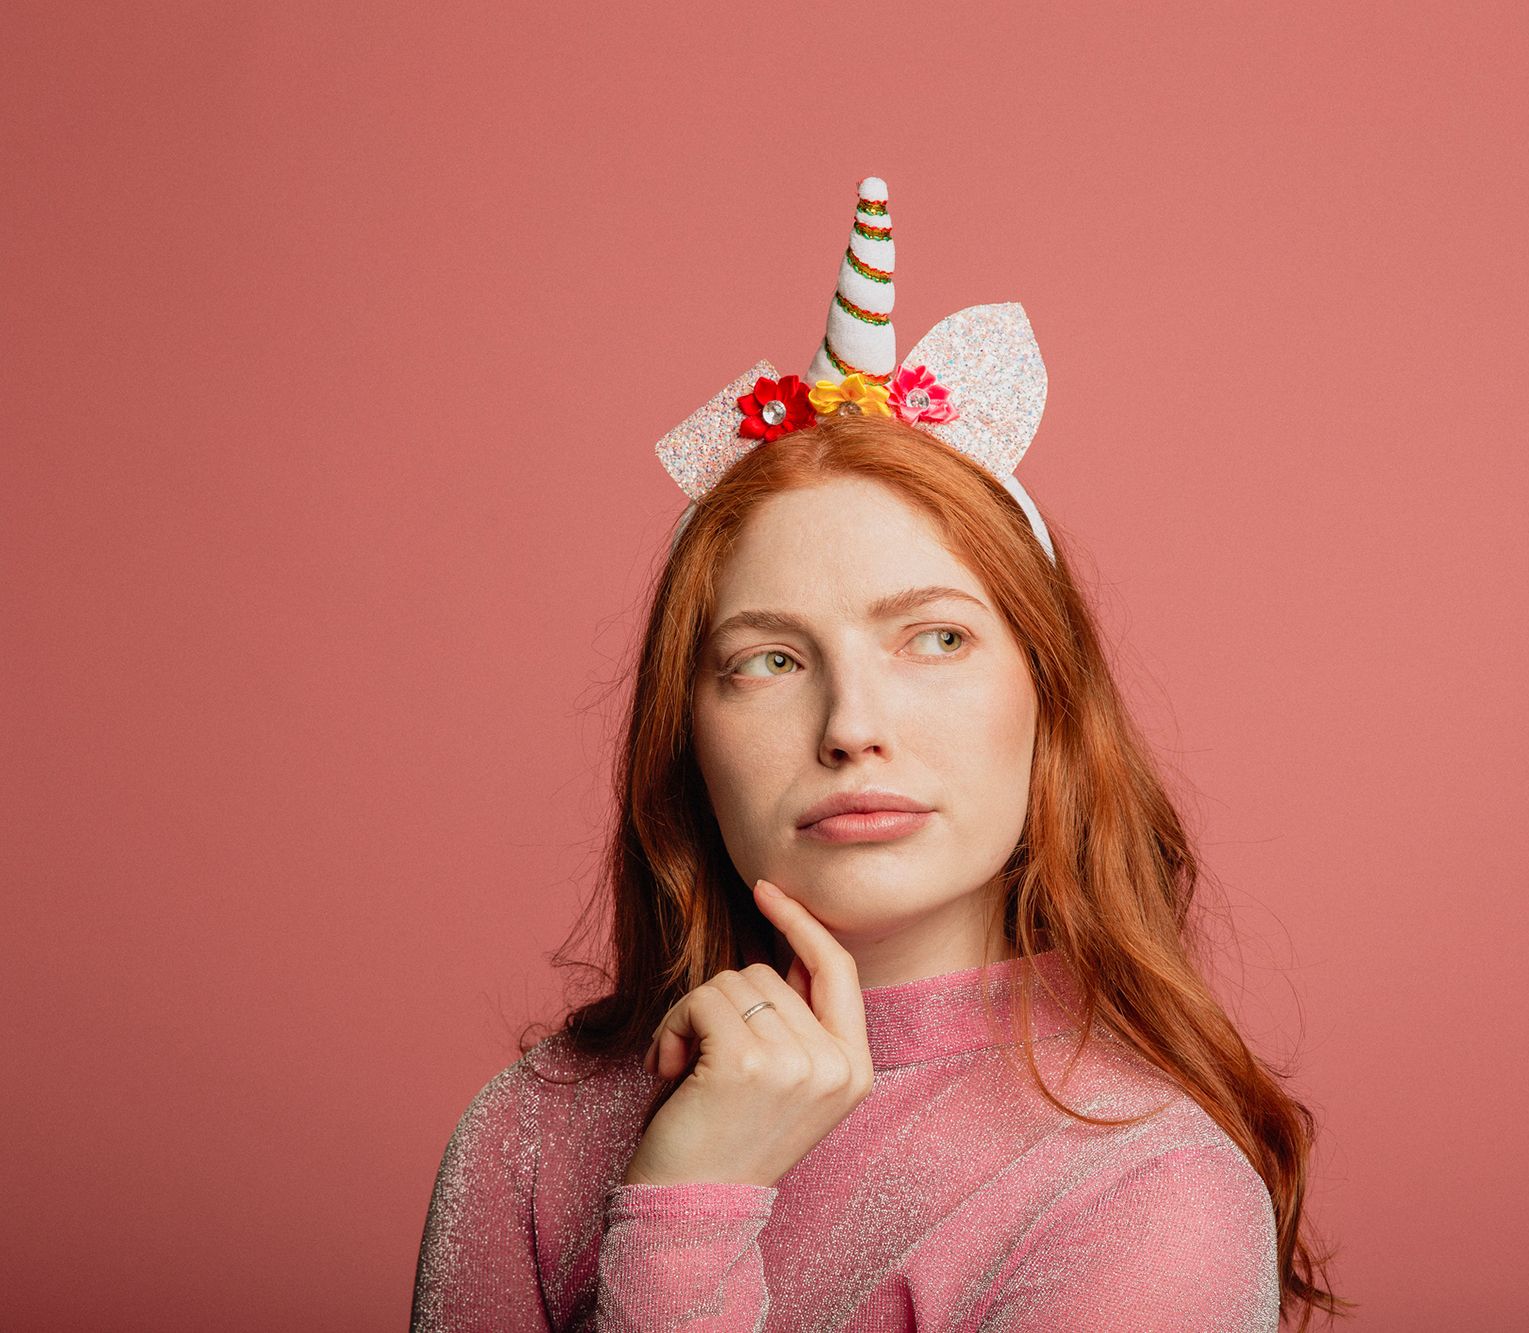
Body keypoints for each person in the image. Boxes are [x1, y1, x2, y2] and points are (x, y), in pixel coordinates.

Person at [410, 177, 1353, 1331]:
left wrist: (684, 1221)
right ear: (685, 733)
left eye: (935, 638)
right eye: (767, 659)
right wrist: (686, 1174)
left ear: (1049, 702)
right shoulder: (530, 1134)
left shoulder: (1147, 1191)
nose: (851, 723)